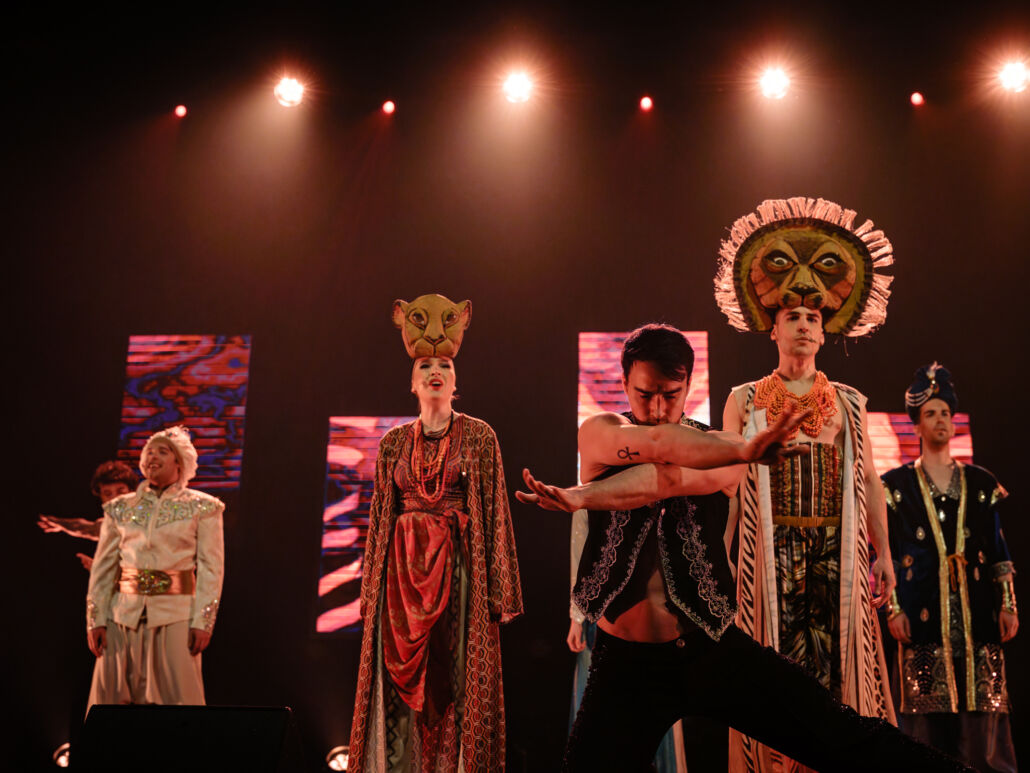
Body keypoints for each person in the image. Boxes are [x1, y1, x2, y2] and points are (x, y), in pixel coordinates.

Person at [518, 324, 966, 772]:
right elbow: (655, 444)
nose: (656, 409)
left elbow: (665, 481)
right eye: (644, 394)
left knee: (840, 734)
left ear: (689, 387)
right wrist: (584, 495)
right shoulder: (600, 432)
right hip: (624, 665)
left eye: (670, 395)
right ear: (623, 383)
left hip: (707, 646)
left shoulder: (729, 447)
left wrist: (584, 496)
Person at [716, 197, 897, 771]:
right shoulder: (744, 399)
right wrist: (723, 558)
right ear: (772, 329)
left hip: (833, 557)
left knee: (836, 681)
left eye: (813, 318)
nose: (803, 323)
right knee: (775, 680)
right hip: (768, 559)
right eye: (792, 316)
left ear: (823, 334)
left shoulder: (847, 403)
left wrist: (885, 553)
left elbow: (869, 479)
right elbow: (728, 483)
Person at [348, 293, 523, 773]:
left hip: (459, 573)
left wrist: (500, 592)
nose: (435, 371)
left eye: (444, 364)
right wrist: (370, 591)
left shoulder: (480, 436)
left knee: (457, 678)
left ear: (455, 380)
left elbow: (494, 510)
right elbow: (380, 518)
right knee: (397, 681)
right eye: (425, 365)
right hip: (400, 581)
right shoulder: (392, 443)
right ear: (412, 382)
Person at [882, 364, 1018, 771]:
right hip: (921, 614)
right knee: (924, 723)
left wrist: (1008, 603)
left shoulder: (981, 483)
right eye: (930, 413)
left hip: (977, 614)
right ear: (917, 425)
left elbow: (998, 549)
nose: (940, 419)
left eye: (945, 412)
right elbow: (887, 553)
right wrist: (894, 608)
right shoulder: (896, 487)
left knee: (983, 721)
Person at [86, 426, 224, 709]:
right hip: (122, 615)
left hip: (176, 616)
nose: (153, 457)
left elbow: (211, 568)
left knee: (178, 702)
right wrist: (96, 618)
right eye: (149, 451)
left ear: (179, 462)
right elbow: (103, 568)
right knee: (112, 702)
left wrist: (203, 622)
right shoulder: (119, 508)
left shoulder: (203, 507)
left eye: (163, 452)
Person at [38, 460, 138, 569]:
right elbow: (90, 528)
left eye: (121, 491)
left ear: (132, 492)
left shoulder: (144, 515)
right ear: (102, 498)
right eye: (108, 494)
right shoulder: (112, 524)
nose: (115, 498)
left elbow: (88, 529)